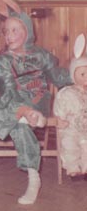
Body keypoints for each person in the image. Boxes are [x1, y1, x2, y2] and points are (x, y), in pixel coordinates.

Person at [0, 0, 72, 205]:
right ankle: (24, 115)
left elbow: (59, 77)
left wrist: (78, 73)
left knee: (20, 124)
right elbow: (7, 90)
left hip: (36, 103)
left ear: (27, 31)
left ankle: (33, 179)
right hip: (10, 103)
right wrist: (21, 110)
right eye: (6, 31)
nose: (9, 35)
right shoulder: (4, 59)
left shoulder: (42, 55)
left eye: (15, 30)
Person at [54, 33, 87, 181]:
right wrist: (59, 118)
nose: (86, 77)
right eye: (82, 74)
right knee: (69, 144)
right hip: (71, 127)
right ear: (74, 76)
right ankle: (73, 168)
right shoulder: (67, 92)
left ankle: (85, 167)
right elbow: (59, 106)